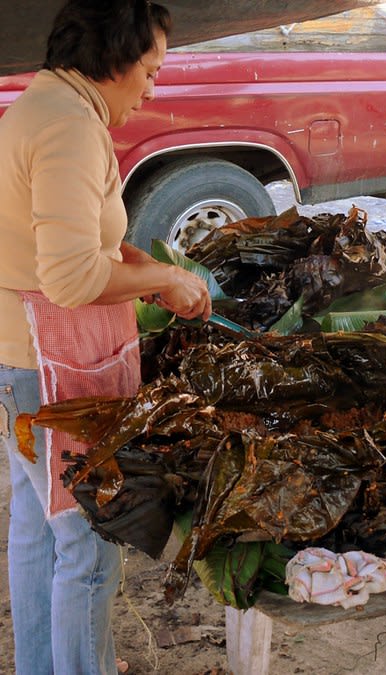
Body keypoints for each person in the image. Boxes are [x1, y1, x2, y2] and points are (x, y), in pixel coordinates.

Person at [0, 1, 212, 672]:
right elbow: (66, 276)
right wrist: (168, 282)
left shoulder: (45, 104)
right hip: (45, 365)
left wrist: (141, 265)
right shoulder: (67, 126)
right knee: (89, 544)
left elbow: (65, 233)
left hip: (18, 359)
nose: (151, 88)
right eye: (148, 71)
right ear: (112, 59)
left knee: (39, 528)